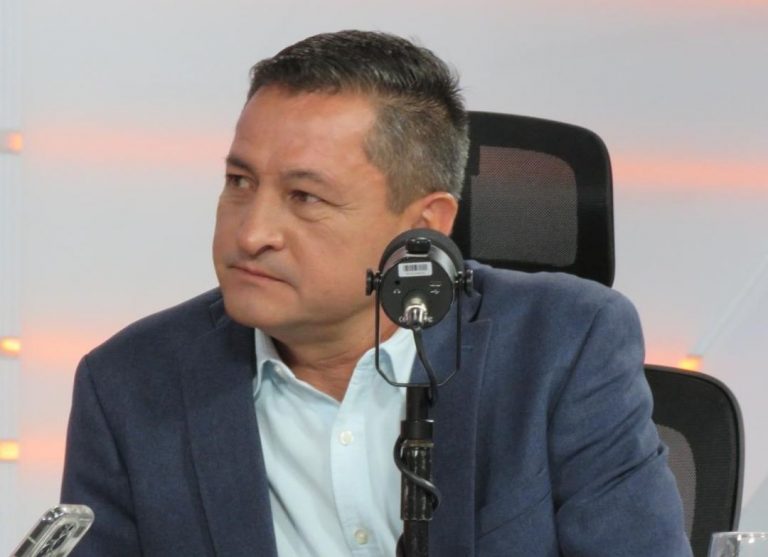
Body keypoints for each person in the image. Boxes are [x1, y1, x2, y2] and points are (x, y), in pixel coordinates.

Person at [61, 30, 692, 556]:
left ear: (424, 226)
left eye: (305, 197)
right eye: (239, 181)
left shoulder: (564, 345)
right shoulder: (128, 384)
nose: (251, 234)